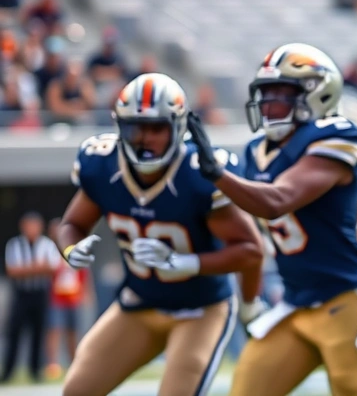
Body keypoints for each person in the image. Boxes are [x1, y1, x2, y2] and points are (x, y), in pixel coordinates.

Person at [186, 43, 357, 396]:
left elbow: (277, 201)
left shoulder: (338, 135)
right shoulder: (255, 152)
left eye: (281, 94)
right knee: (247, 387)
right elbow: (247, 232)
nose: (269, 105)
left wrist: (217, 174)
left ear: (317, 95)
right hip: (295, 303)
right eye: (265, 95)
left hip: (347, 299)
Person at [56, 73, 265, 396]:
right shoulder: (102, 164)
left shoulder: (198, 173)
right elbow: (72, 224)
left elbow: (251, 250)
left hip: (200, 310)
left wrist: (189, 263)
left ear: (179, 127)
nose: (144, 138)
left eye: (157, 128)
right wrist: (70, 249)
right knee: (77, 390)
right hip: (139, 302)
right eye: (135, 127)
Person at [2, 212, 60, 384]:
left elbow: (52, 269)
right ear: (23, 226)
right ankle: (8, 371)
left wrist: (25, 269)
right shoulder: (14, 244)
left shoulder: (47, 244)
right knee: (14, 332)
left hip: (40, 294)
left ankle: (35, 371)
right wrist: (37, 267)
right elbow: (12, 271)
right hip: (21, 294)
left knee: (38, 333)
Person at [45, 218, 89, 380]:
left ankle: (74, 364)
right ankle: (52, 364)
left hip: (73, 297)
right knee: (55, 330)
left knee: (73, 332)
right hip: (56, 298)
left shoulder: (73, 250)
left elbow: (83, 274)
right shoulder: (48, 249)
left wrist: (86, 295)